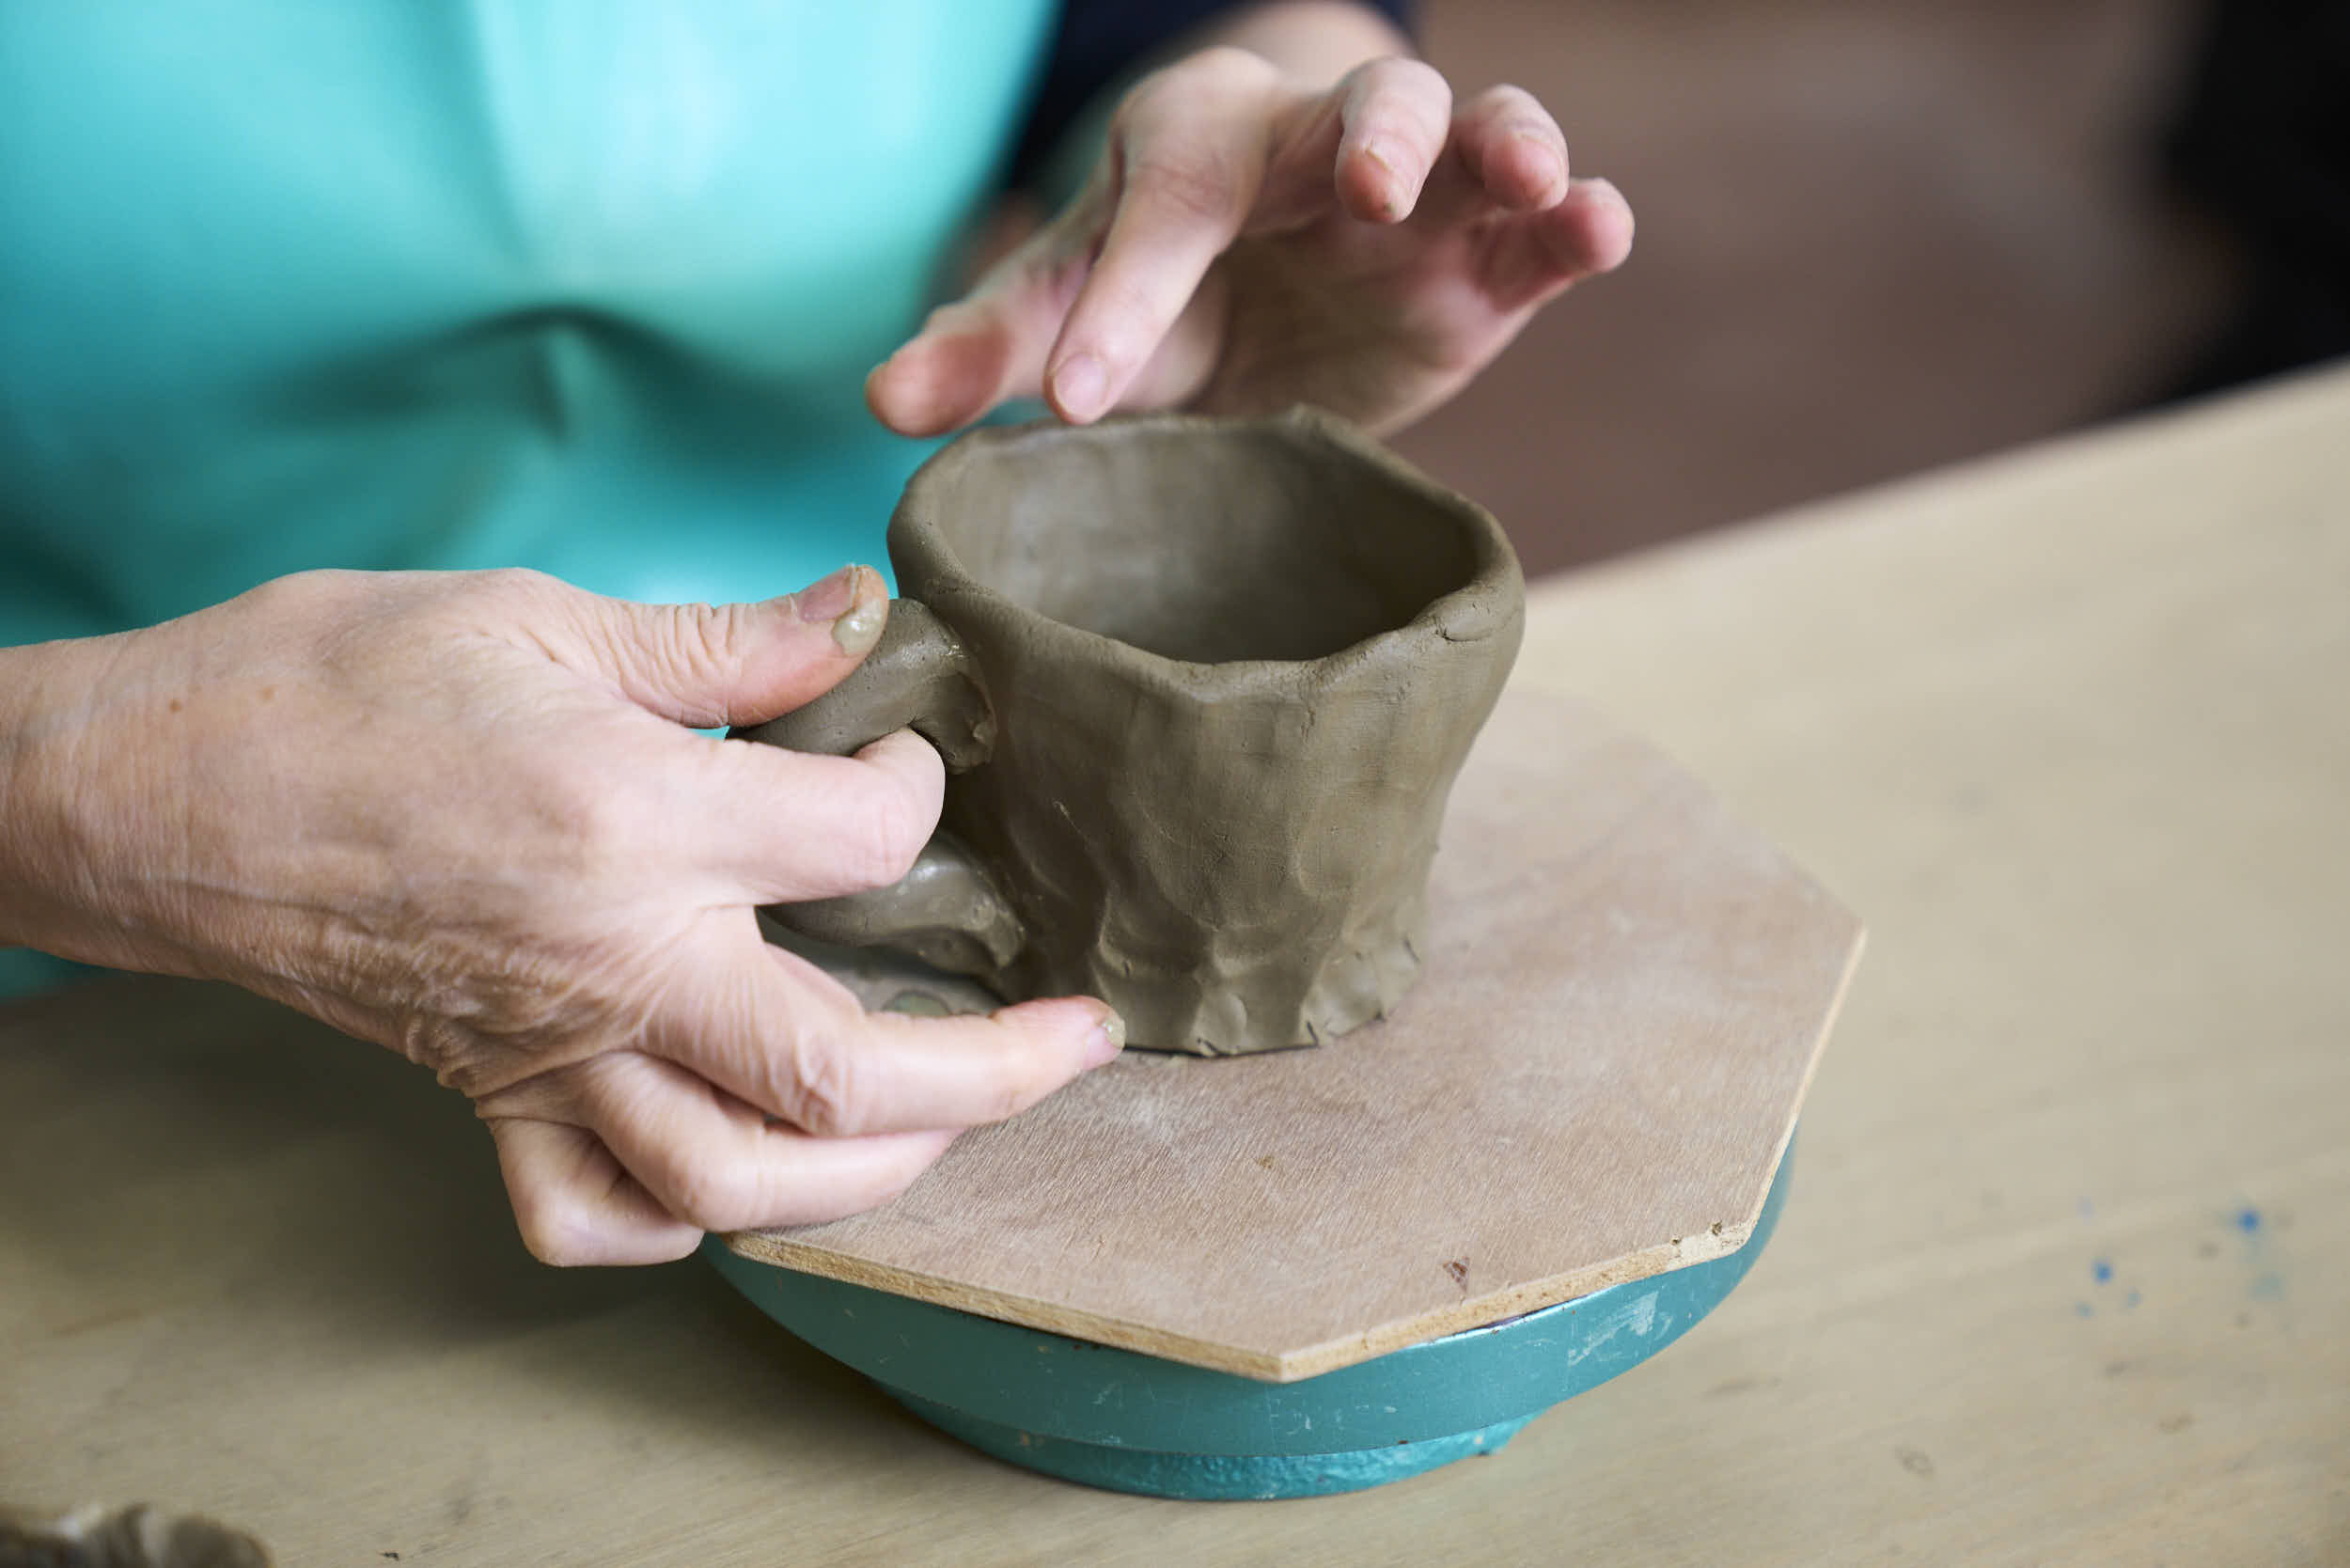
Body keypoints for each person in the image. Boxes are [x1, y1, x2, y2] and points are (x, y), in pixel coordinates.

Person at [0, 0, 1631, 1264]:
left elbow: (1147, 26)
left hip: (850, 727)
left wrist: (1242, 127)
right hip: (90, 928)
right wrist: (97, 791)